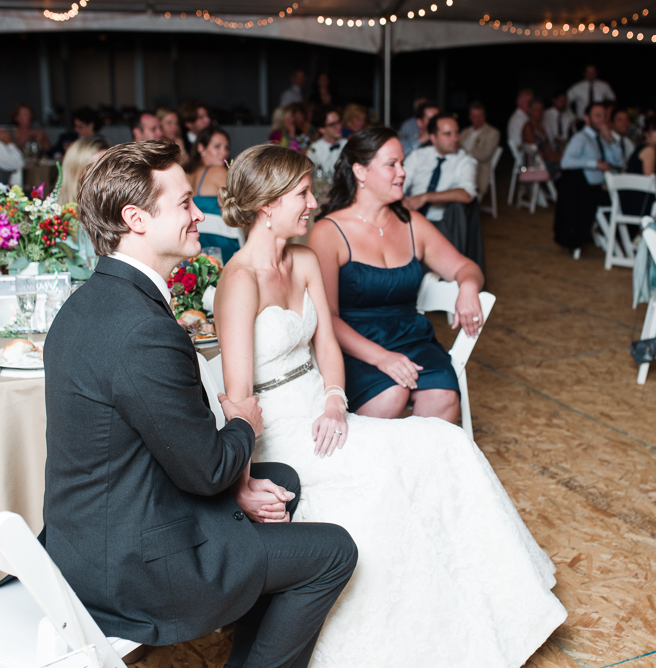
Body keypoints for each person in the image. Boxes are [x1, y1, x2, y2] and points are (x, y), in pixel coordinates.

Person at [220, 140, 566, 667]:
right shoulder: (238, 281)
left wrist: (337, 401)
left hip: (324, 409)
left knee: (443, 443)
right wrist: (241, 486)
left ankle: (493, 606)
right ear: (267, 205)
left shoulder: (306, 258)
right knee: (379, 484)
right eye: (302, 194)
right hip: (281, 428)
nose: (313, 203)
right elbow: (239, 397)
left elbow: (327, 347)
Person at [44, 140, 357, 667]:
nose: (199, 214)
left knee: (285, 483)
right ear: (136, 218)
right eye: (186, 203)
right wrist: (242, 423)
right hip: (131, 569)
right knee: (335, 552)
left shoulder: (87, 303)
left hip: (88, 535)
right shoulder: (142, 329)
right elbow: (209, 472)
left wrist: (237, 466)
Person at [312, 127, 479, 418]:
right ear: (360, 172)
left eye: (402, 163)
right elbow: (327, 318)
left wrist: (468, 288)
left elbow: (467, 267)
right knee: (391, 395)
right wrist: (382, 358)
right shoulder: (329, 231)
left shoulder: (413, 223)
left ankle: (427, 465)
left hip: (412, 338)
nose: (402, 172)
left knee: (442, 395)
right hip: (356, 345)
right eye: (392, 164)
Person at [556, 102, 622, 258]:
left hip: (603, 188)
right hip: (587, 192)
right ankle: (620, 242)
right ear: (587, 119)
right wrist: (595, 164)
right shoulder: (581, 138)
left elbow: (619, 162)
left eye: (605, 116)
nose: (602, 119)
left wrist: (611, 140)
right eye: (598, 116)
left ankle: (618, 240)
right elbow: (565, 162)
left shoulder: (602, 137)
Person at [402, 113, 478, 223]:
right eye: (448, 134)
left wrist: (425, 197)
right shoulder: (418, 156)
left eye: (456, 133)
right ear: (433, 138)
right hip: (411, 218)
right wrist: (400, 202)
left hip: (443, 224)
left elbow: (466, 194)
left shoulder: (466, 161)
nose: (455, 139)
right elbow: (401, 182)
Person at [187, 126, 241, 262]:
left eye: (226, 148)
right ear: (201, 148)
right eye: (217, 146)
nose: (224, 152)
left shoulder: (185, 174)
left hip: (194, 246)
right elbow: (242, 204)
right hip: (221, 246)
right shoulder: (219, 172)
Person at [459, 101, 501, 197]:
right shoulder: (465, 132)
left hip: (477, 168)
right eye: (474, 116)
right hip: (460, 164)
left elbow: (484, 155)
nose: (477, 119)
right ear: (470, 117)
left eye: (480, 115)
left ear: (485, 115)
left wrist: (463, 154)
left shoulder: (492, 133)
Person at [306, 105, 347, 175]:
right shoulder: (314, 150)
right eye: (333, 124)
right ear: (321, 129)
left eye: (339, 122)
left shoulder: (347, 144)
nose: (339, 126)